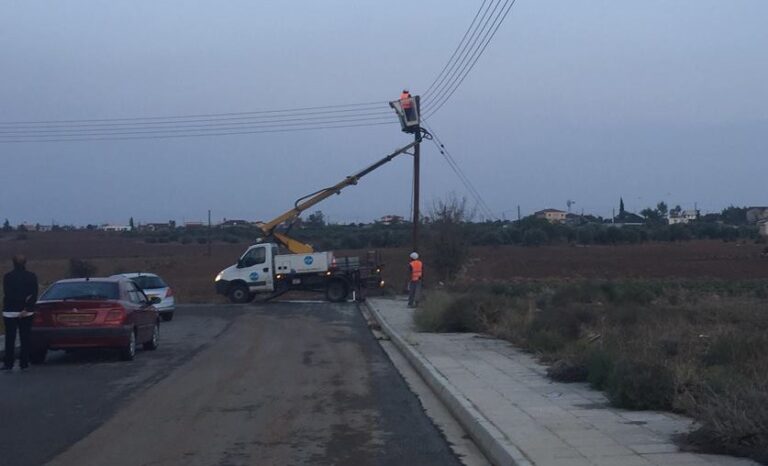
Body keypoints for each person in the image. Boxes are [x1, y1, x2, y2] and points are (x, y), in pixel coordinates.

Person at [2, 255, 38, 371]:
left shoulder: (7, 277)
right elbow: (34, 294)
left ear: (13, 263)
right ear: (25, 263)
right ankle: (24, 362)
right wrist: (26, 308)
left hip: (10, 311)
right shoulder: (31, 277)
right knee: (25, 337)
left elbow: (8, 294)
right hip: (26, 312)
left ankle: (9, 363)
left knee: (10, 338)